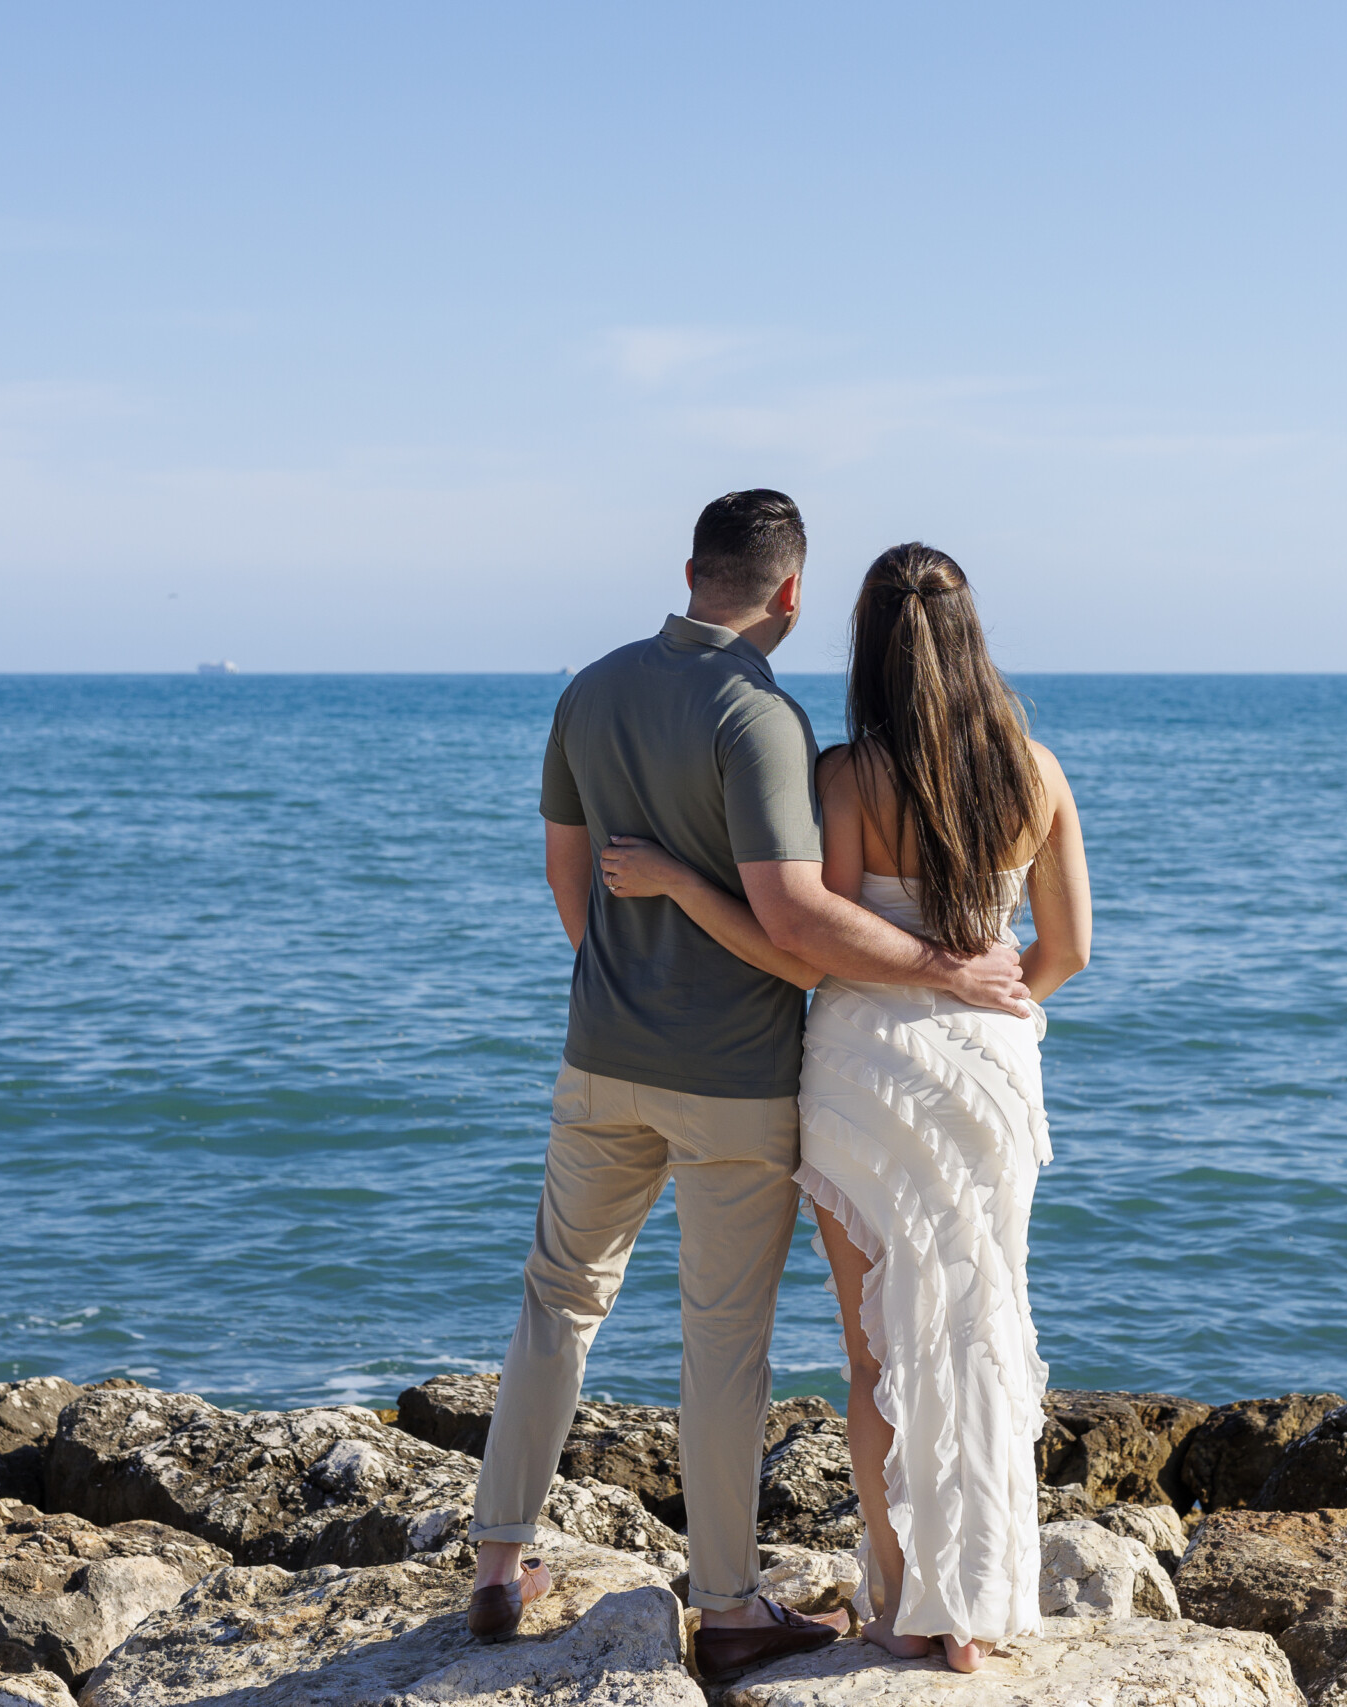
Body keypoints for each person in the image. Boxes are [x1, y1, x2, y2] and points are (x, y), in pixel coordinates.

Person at [467, 494, 1032, 1684]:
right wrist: (940, 969)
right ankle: (727, 1609)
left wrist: (622, 970)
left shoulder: (593, 686)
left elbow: (568, 872)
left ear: (688, 570)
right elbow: (795, 928)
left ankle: (497, 1560)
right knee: (722, 1344)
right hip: (732, 1080)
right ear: (788, 595)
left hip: (599, 1055)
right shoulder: (763, 719)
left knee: (556, 1301)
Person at [600, 542, 1091, 1673]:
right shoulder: (1036, 770)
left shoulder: (849, 775)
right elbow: (1065, 949)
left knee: (879, 1354)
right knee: (977, 1324)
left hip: (869, 1071)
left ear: (868, 643)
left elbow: (804, 945)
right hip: (989, 1067)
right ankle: (977, 1608)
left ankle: (901, 1601)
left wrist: (680, 882)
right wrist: (995, 998)